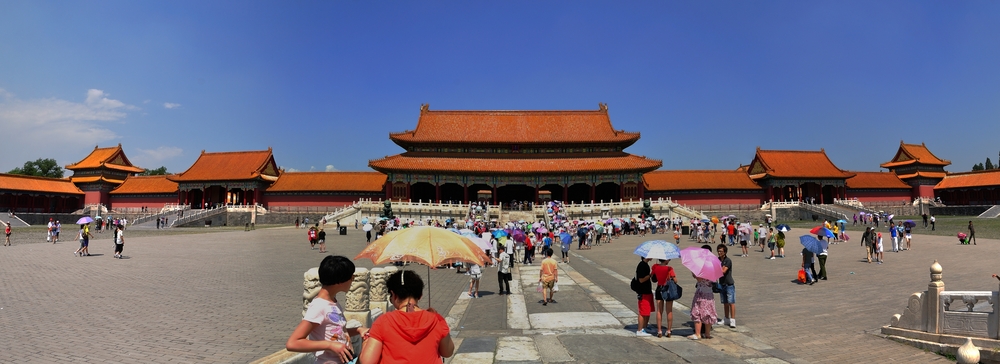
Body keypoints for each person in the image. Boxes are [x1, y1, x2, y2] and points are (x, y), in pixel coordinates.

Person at [360, 270, 454, 364]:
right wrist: (438, 320)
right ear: (420, 296)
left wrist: (366, 342)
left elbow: (367, 361)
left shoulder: (383, 321)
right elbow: (447, 352)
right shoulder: (436, 319)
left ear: (393, 295)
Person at [286, 255, 366, 364]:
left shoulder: (332, 302)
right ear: (340, 280)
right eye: (351, 277)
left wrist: (358, 330)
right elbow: (293, 343)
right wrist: (330, 345)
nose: (352, 281)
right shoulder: (319, 306)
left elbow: (338, 332)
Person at [688, 244, 717, 340]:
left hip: (701, 293)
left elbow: (699, 279)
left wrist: (693, 270)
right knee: (708, 312)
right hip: (709, 294)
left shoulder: (701, 264)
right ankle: (707, 333)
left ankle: (698, 334)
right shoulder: (713, 264)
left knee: (698, 312)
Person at [650, 258, 676, 338]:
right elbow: (675, 280)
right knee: (669, 311)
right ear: (666, 260)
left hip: (659, 289)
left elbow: (652, 277)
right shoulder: (669, 268)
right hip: (667, 290)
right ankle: (668, 330)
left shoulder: (655, 267)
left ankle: (659, 331)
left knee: (659, 311)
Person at [716, 244, 736, 328]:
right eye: (718, 251)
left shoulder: (728, 260)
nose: (719, 252)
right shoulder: (717, 260)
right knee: (725, 302)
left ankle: (733, 320)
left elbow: (723, 271)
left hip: (729, 284)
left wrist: (719, 268)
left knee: (731, 302)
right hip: (721, 284)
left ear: (725, 252)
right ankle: (726, 318)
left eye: (721, 251)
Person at [634, 256, 654, 337]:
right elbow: (641, 280)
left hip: (647, 291)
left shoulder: (645, 264)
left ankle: (645, 327)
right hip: (643, 292)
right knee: (643, 312)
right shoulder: (642, 265)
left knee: (647, 311)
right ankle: (639, 330)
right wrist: (650, 275)